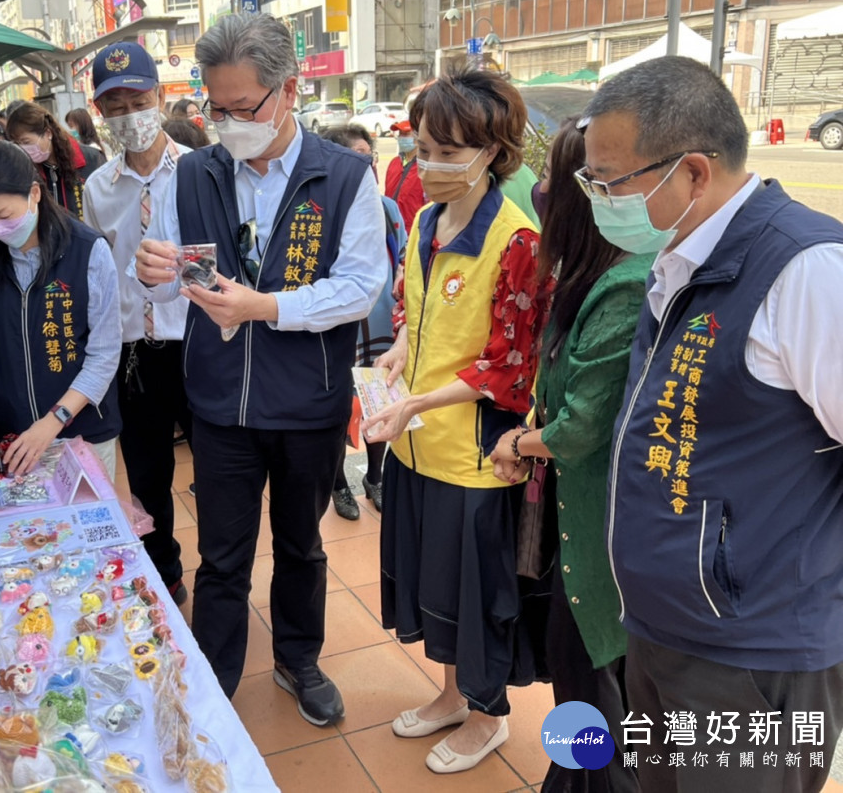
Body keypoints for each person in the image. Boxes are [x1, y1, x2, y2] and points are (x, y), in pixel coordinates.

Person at [578, 55, 843, 793]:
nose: (599, 198)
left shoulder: (807, 271)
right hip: (666, 629)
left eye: (611, 180)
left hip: (752, 654)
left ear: (692, 171)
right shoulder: (681, 260)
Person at [132, 13, 386, 725]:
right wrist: (154, 272)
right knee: (221, 552)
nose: (226, 123)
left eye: (242, 108)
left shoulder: (343, 177)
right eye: (214, 108)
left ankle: (299, 661)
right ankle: (215, 677)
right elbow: (172, 276)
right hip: (219, 406)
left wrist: (266, 306)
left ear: (288, 91)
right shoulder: (196, 173)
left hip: (308, 403)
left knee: (301, 544)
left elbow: (361, 284)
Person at [361, 68, 551, 774]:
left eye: (448, 149)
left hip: (474, 453)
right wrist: (398, 354)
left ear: (492, 149)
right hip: (415, 444)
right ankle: (449, 694)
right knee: (430, 581)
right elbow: (416, 308)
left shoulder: (518, 238)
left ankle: (488, 715)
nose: (429, 162)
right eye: (423, 144)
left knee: (477, 592)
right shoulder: (422, 219)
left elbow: (509, 367)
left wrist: (417, 401)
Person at [490, 118, 649, 793]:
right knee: (575, 672)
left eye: (563, 177)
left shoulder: (624, 285)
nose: (544, 187)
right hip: (572, 523)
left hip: (603, 533)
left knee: (591, 684)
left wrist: (518, 442)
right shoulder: (588, 276)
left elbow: (581, 425)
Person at [82, 41, 193, 605]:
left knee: (218, 473)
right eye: (115, 105)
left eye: (138, 98)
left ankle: (223, 574)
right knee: (148, 476)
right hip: (135, 353)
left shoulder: (201, 171)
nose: (129, 114)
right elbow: (100, 273)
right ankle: (164, 572)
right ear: (100, 112)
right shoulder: (98, 188)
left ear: (161, 95)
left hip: (197, 343)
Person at [0, 141, 122, 480]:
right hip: (13, 436)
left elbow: (104, 354)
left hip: (83, 433)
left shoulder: (87, 250)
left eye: (4, 216)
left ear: (34, 193)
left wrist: (53, 422)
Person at [320, 124, 406, 519]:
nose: (367, 164)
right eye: (356, 156)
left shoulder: (387, 209)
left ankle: (375, 476)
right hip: (339, 331)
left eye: (368, 155)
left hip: (382, 327)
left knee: (379, 403)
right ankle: (338, 483)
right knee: (338, 411)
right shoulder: (320, 211)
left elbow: (402, 258)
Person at [6, 102, 94, 220]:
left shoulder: (91, 159)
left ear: (48, 133)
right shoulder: (27, 172)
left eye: (26, 142)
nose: (23, 149)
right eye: (17, 144)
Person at [385, 120, 424, 231]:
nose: (401, 138)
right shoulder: (394, 163)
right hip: (392, 226)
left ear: (418, 138)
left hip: (414, 228)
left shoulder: (423, 166)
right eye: (400, 134)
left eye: (406, 134)